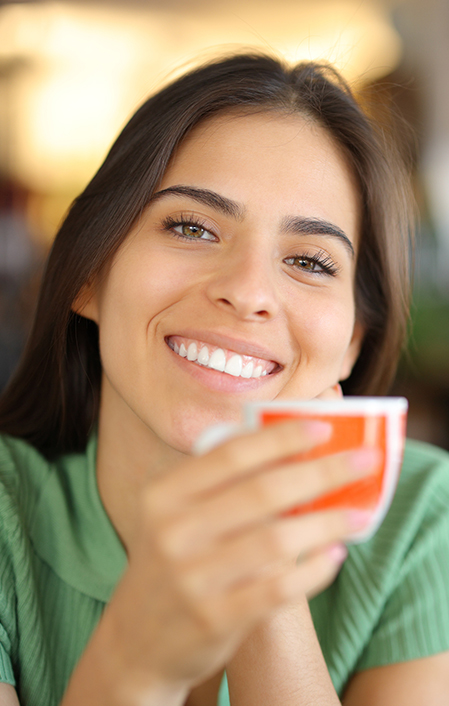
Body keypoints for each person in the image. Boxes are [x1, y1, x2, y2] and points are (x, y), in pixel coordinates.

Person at [0, 52, 448, 706]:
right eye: (190, 226)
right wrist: (135, 661)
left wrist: (264, 580)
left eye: (308, 261)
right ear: (88, 275)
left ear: (351, 341)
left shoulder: (422, 519)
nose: (246, 293)